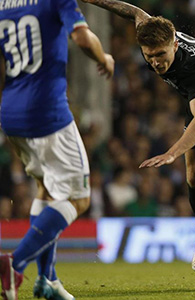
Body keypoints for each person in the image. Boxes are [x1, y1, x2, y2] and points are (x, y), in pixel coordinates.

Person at [81, 0, 195, 277]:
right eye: (149, 56)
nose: (155, 62)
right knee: (194, 176)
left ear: (175, 44)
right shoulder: (153, 33)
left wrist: (172, 152)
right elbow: (135, 12)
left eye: (161, 54)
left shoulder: (194, 67)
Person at [0, 0, 114, 299]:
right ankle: (15, 262)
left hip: (11, 111)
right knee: (79, 197)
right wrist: (104, 57)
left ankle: (48, 279)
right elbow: (81, 37)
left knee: (46, 190)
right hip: (47, 111)